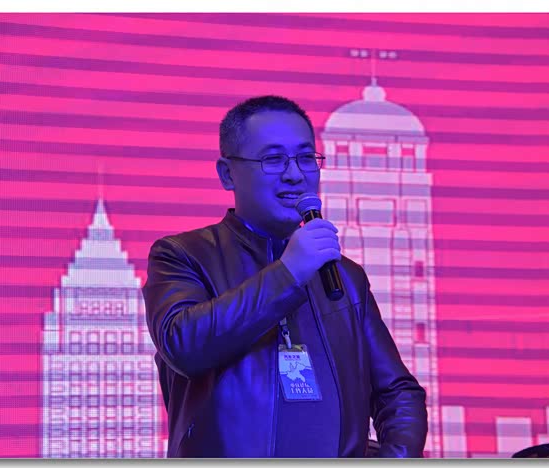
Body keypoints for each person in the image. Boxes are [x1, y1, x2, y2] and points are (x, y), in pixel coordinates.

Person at [143, 95, 428, 458]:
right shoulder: (184, 254)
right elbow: (184, 347)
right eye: (273, 159)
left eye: (306, 158)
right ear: (228, 173)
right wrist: (288, 273)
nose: (295, 174)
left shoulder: (345, 275)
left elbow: (397, 392)